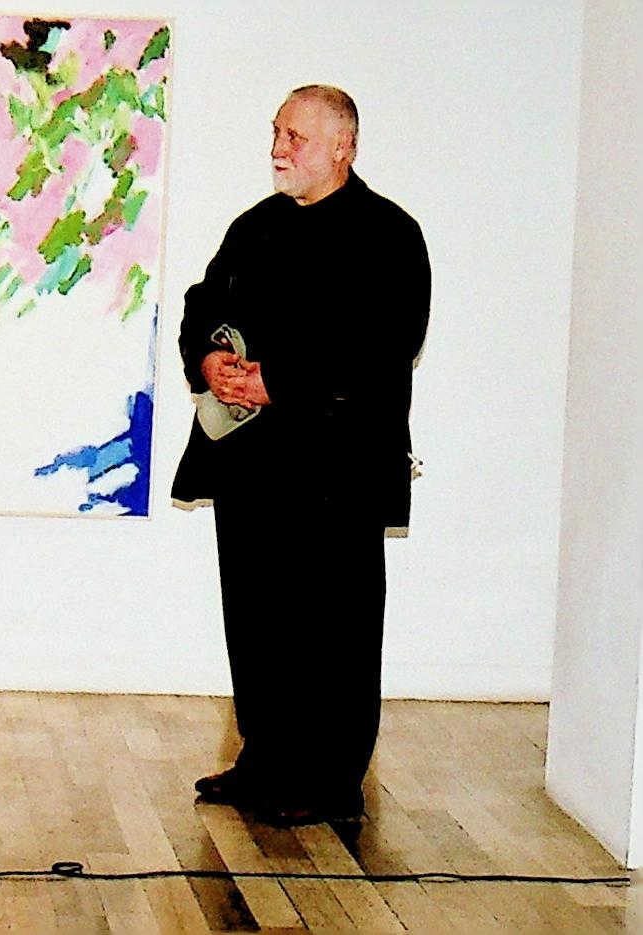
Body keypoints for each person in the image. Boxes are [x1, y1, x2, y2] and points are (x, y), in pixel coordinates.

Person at [171, 85, 430, 826]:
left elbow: (384, 345)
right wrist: (210, 361)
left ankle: (331, 781)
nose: (279, 149)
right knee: (258, 620)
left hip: (337, 472)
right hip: (251, 464)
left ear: (343, 147)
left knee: (334, 629)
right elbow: (202, 304)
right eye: (277, 133)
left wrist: (276, 380)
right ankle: (265, 762)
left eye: (296, 137)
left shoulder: (389, 235)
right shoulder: (256, 226)